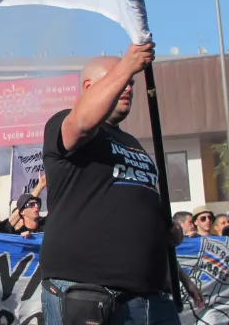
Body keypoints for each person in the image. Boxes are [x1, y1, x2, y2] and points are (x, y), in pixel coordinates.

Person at [40, 43, 192, 324]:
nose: (128, 87)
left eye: (131, 82)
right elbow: (82, 123)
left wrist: (171, 256)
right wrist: (127, 64)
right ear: (88, 86)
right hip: (89, 295)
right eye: (119, 79)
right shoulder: (64, 124)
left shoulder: (132, 143)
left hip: (152, 298)